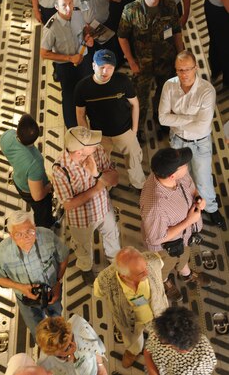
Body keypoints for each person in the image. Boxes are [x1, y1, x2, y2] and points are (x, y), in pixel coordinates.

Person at [159, 50, 226, 229]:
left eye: (188, 69)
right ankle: (186, 209)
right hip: (177, 140)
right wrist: (190, 119)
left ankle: (211, 208)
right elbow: (162, 119)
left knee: (203, 177)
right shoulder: (169, 86)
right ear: (176, 70)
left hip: (200, 142)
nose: (184, 74)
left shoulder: (206, 91)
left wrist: (177, 119)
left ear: (196, 67)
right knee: (179, 177)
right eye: (180, 70)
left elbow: (201, 126)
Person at [118, 0, 183, 140]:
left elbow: (176, 32)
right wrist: (131, 61)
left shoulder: (169, 6)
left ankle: (161, 121)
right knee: (140, 98)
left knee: (164, 94)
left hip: (166, 61)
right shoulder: (131, 10)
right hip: (142, 64)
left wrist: (181, 56)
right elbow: (122, 36)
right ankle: (137, 129)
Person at [140, 147, 211, 303]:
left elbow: (191, 187)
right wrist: (188, 221)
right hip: (166, 248)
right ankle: (165, 281)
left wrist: (198, 197)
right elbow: (156, 238)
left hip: (184, 239)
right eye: (184, 165)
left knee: (184, 255)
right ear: (172, 175)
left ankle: (186, 274)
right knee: (164, 266)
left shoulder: (175, 175)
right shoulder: (155, 206)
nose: (187, 166)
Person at [52, 126, 120, 286]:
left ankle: (115, 261)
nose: (97, 143)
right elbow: (68, 205)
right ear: (79, 152)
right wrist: (97, 187)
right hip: (80, 219)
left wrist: (97, 174)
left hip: (104, 208)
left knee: (112, 235)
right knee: (82, 246)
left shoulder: (98, 151)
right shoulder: (60, 169)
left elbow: (115, 179)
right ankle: (86, 267)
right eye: (91, 143)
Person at [0, 211, 69, 339]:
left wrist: (57, 282)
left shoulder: (47, 236)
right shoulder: (2, 253)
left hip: (52, 292)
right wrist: (21, 288)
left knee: (57, 318)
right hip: (26, 299)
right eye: (19, 234)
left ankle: (60, 338)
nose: (26, 237)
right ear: (11, 235)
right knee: (37, 329)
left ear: (35, 227)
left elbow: (64, 257)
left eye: (29, 231)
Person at [75, 49, 145, 190]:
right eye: (101, 67)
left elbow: (135, 104)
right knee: (102, 164)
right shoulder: (82, 88)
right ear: (93, 65)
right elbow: (80, 115)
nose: (105, 72)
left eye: (110, 68)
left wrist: (134, 131)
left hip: (125, 131)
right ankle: (106, 187)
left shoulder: (123, 81)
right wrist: (87, 140)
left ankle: (139, 185)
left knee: (134, 160)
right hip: (99, 136)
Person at [94, 246, 168, 368]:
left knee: (162, 335)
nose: (147, 272)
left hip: (159, 314)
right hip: (131, 322)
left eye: (145, 266)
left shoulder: (152, 259)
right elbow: (98, 292)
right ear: (124, 276)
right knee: (131, 338)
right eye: (140, 272)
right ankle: (133, 351)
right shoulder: (105, 280)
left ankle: (161, 349)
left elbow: (160, 263)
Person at [40, 0, 94, 128]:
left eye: (70, 3)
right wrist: (70, 58)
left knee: (88, 88)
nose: (69, 8)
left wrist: (88, 37)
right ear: (56, 7)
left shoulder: (77, 13)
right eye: (64, 5)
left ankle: (91, 116)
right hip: (66, 65)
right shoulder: (51, 27)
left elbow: (85, 28)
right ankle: (72, 129)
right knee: (70, 97)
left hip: (83, 58)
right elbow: (44, 53)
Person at [0, 113, 55, 228]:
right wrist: (50, 186)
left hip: (19, 181)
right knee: (42, 214)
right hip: (29, 191)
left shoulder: (7, 136)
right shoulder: (35, 162)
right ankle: (45, 228)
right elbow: (37, 196)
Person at [144, 307, 217, 374]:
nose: (156, 337)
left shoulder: (204, 356)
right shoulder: (159, 330)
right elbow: (147, 352)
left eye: (163, 342)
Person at [36, 315, 107, 375]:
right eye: (67, 348)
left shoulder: (79, 325)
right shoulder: (44, 366)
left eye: (72, 338)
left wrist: (100, 367)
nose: (74, 346)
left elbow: (94, 345)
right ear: (53, 353)